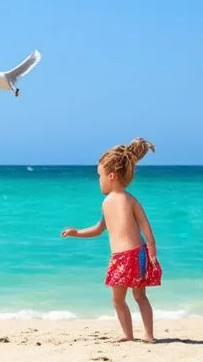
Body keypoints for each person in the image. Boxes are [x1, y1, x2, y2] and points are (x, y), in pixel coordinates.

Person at [61, 137, 159, 342]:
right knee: (131, 298)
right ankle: (134, 335)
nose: (99, 180)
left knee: (125, 299)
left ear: (112, 176)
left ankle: (145, 334)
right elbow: (99, 229)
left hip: (131, 256)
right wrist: (77, 232)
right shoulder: (110, 203)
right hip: (129, 256)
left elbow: (145, 225)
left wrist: (152, 251)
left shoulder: (128, 200)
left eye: (100, 176)